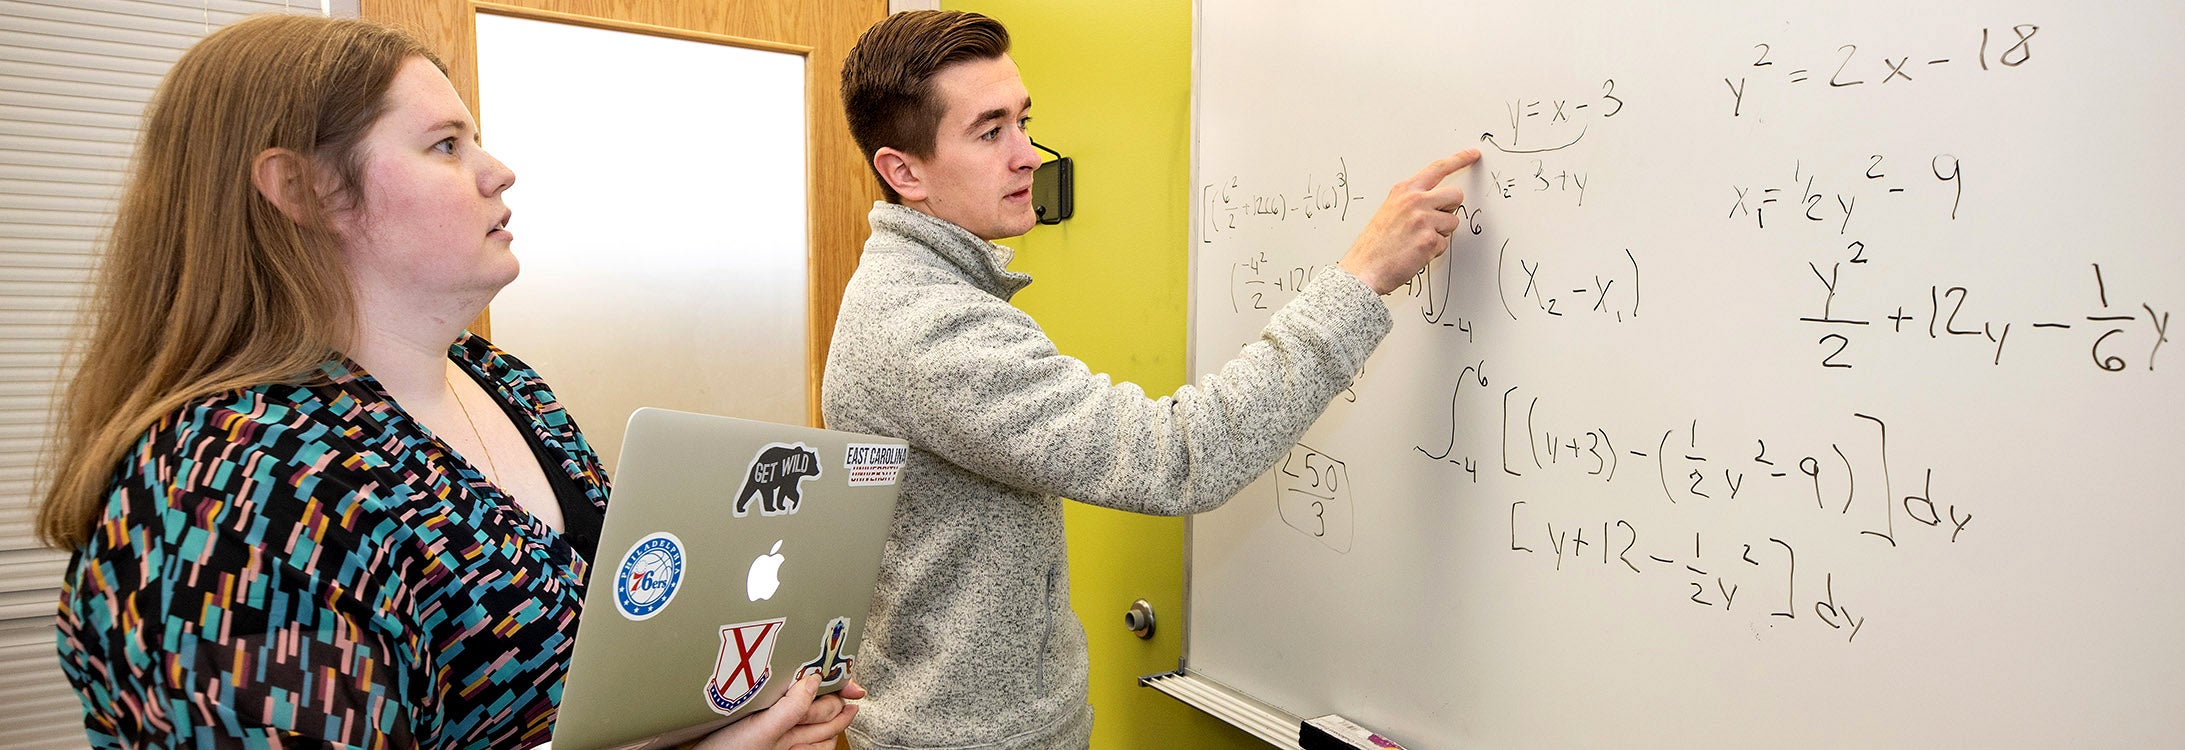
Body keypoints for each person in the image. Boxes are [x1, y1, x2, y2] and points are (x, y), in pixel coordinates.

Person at [39, 15, 855, 750]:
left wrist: (741, 710)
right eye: (445, 145)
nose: (498, 172)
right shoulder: (228, 492)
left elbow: (601, 684)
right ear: (304, 189)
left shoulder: (503, 382)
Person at [824, 10, 1480, 750]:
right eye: (989, 131)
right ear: (902, 171)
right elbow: (1178, 456)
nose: (1027, 155)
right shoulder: (928, 326)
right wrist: (1361, 279)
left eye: (1023, 120)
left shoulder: (924, 292)